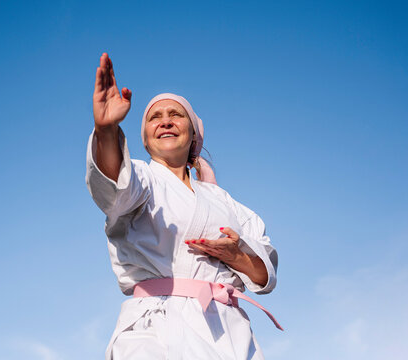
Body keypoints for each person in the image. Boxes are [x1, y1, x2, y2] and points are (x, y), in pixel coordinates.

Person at [86, 53, 280, 360]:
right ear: (146, 141)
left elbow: (263, 276)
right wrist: (106, 131)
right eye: (154, 117)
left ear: (193, 135)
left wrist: (237, 255)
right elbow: (113, 186)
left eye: (176, 115)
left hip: (229, 333)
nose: (165, 121)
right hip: (156, 330)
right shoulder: (143, 179)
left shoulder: (227, 203)